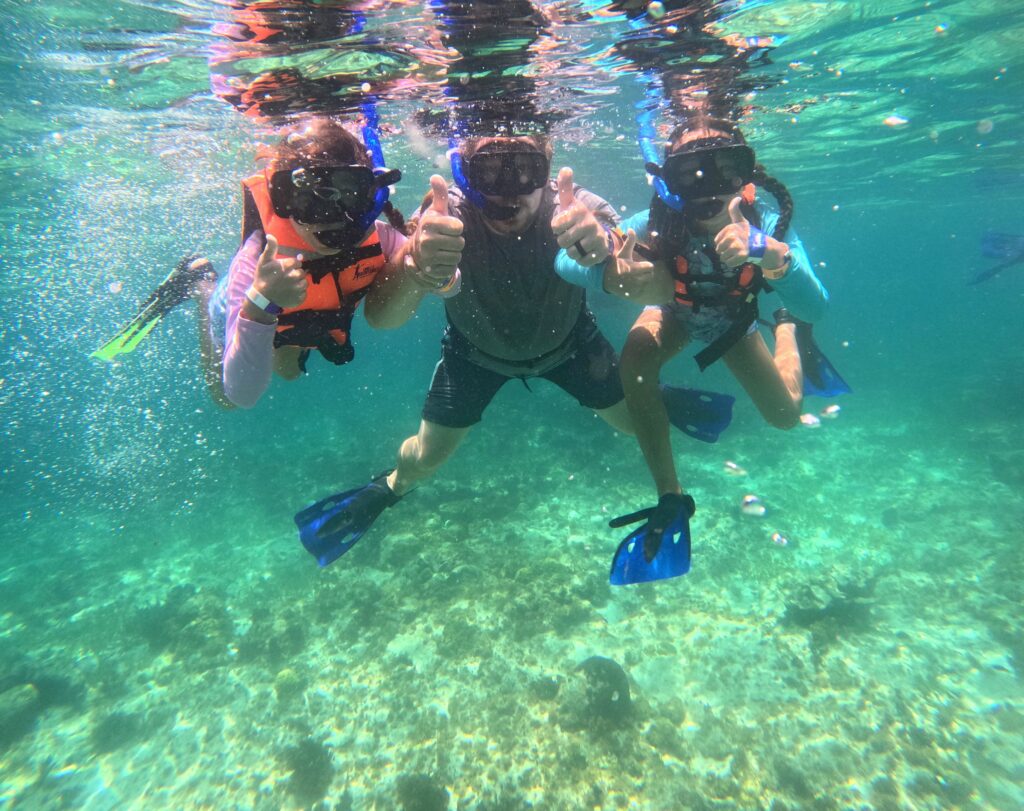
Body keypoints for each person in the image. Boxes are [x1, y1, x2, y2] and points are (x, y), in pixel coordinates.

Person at [294, 131, 730, 567]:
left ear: (548, 162)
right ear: (464, 172)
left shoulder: (576, 208)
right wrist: (413, 267)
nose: (510, 190)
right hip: (472, 356)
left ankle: (651, 397)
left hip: (571, 346)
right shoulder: (445, 215)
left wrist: (610, 257)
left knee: (636, 426)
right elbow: (381, 318)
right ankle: (387, 488)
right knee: (425, 458)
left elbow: (632, 258)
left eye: (525, 168)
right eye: (488, 170)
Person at [558, 117, 847, 584]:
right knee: (635, 354)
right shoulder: (654, 224)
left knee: (786, 416)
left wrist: (774, 258)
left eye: (725, 167)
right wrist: (601, 263)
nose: (707, 185)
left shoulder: (768, 224)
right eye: (690, 171)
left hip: (733, 326)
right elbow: (565, 262)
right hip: (674, 315)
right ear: (668, 181)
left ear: (747, 173)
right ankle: (669, 494)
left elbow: (817, 304)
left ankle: (787, 333)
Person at [93, 115, 411, 410]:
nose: (330, 219)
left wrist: (427, 244)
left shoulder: (377, 236)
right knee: (224, 399)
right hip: (244, 302)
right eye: (306, 200)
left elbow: (436, 273)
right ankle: (200, 284)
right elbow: (241, 394)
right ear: (281, 199)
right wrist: (260, 302)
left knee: (289, 372)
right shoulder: (256, 258)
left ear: (369, 195)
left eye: (349, 194)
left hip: (302, 315)